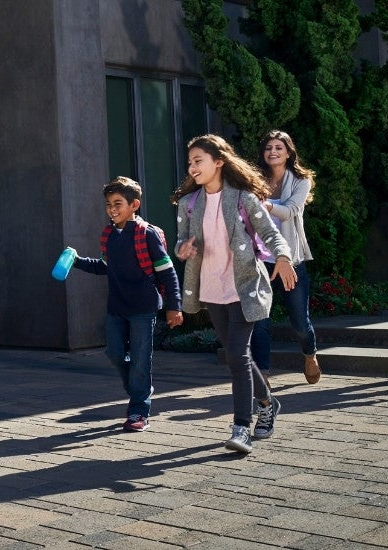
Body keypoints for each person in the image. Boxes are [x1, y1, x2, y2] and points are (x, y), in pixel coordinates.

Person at [173, 134, 298, 453]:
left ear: (219, 162)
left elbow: (271, 233)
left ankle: (241, 426)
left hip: (244, 288)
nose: (192, 167)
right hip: (213, 290)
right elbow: (180, 243)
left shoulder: (243, 198)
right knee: (236, 355)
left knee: (237, 355)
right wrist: (184, 249)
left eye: (198, 160)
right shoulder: (189, 204)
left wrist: (282, 256)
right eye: (190, 162)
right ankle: (268, 402)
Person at [70, 177, 183, 433]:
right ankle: (139, 388)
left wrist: (174, 306)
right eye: (108, 204)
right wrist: (77, 261)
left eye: (118, 203)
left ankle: (138, 411)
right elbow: (105, 267)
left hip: (143, 308)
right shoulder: (109, 234)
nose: (112, 208)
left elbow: (167, 272)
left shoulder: (147, 234)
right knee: (114, 353)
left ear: (134, 205)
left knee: (141, 361)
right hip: (117, 307)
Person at [249, 130, 320, 384]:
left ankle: (310, 354)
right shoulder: (254, 179)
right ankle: (263, 375)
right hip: (260, 261)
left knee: (300, 322)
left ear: (288, 152)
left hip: (291, 260)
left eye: (278, 147)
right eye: (268, 147)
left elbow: (289, 211)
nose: (273, 152)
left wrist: (266, 205)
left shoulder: (301, 180)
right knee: (260, 321)